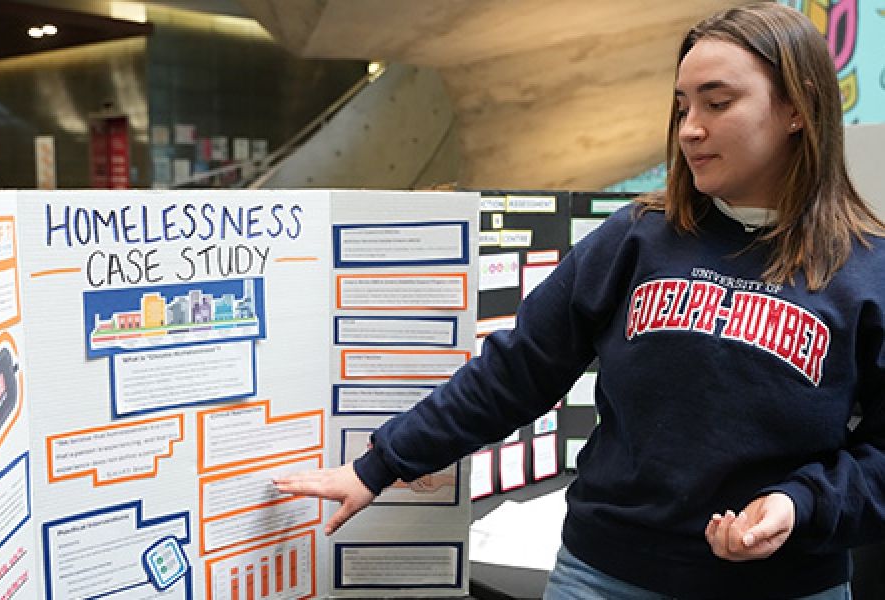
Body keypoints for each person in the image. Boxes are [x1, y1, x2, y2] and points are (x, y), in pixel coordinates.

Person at [274, 3, 885, 598]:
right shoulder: (635, 239)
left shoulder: (866, 270)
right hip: (603, 575)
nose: (690, 127)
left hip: (785, 586)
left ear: (796, 108)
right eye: (682, 106)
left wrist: (798, 504)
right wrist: (377, 467)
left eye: (718, 103)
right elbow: (515, 371)